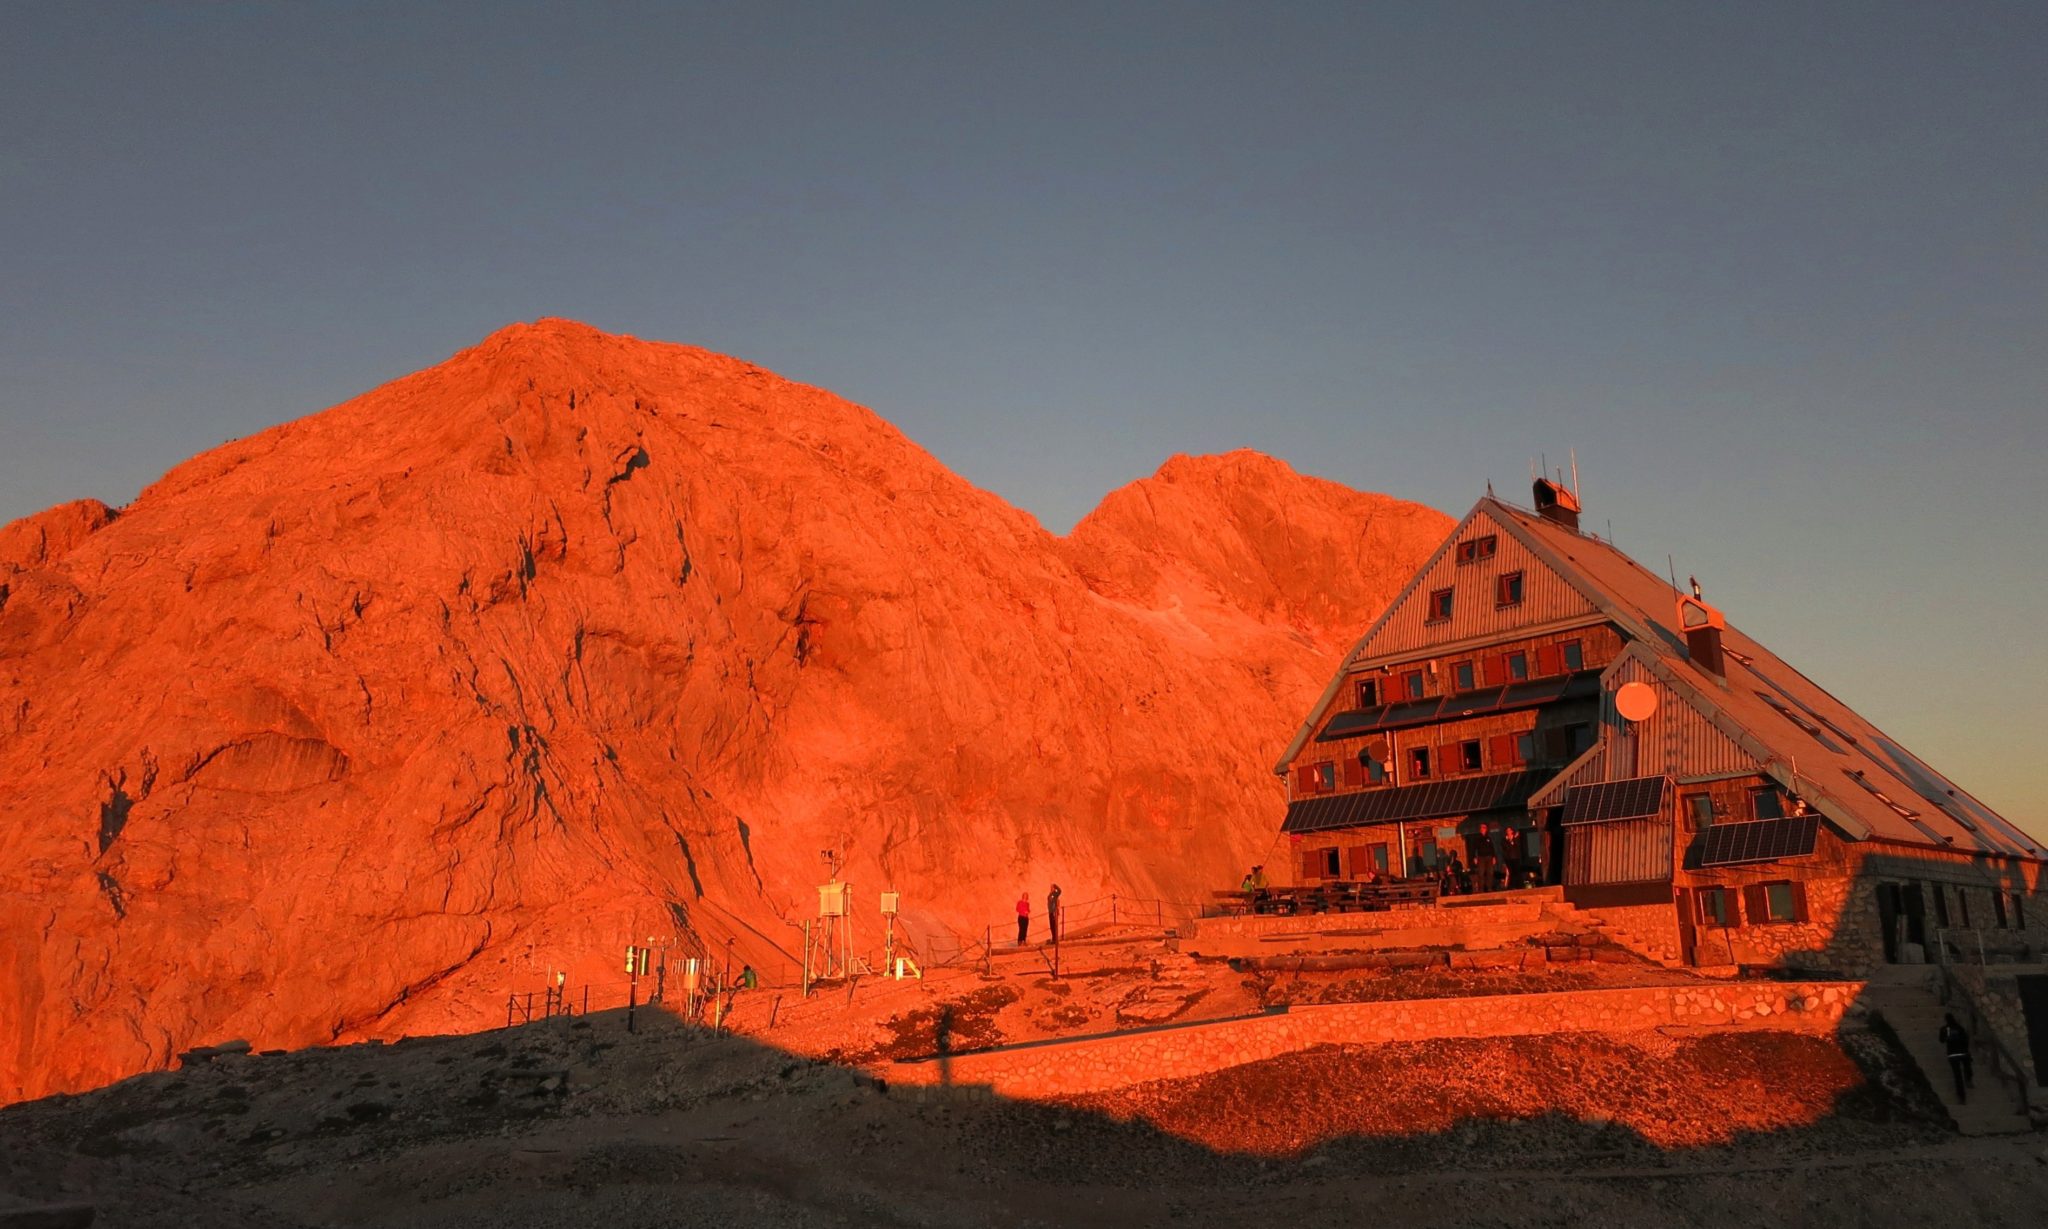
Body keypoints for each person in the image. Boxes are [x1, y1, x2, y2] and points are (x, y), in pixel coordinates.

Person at [1939, 1013, 1973, 1102]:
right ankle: (1969, 1079)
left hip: (1952, 1054)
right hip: (1963, 1052)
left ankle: (1962, 1097)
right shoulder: (1959, 1028)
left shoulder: (1944, 1029)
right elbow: (1966, 1039)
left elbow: (1941, 1040)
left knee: (1958, 1076)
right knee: (1967, 1066)